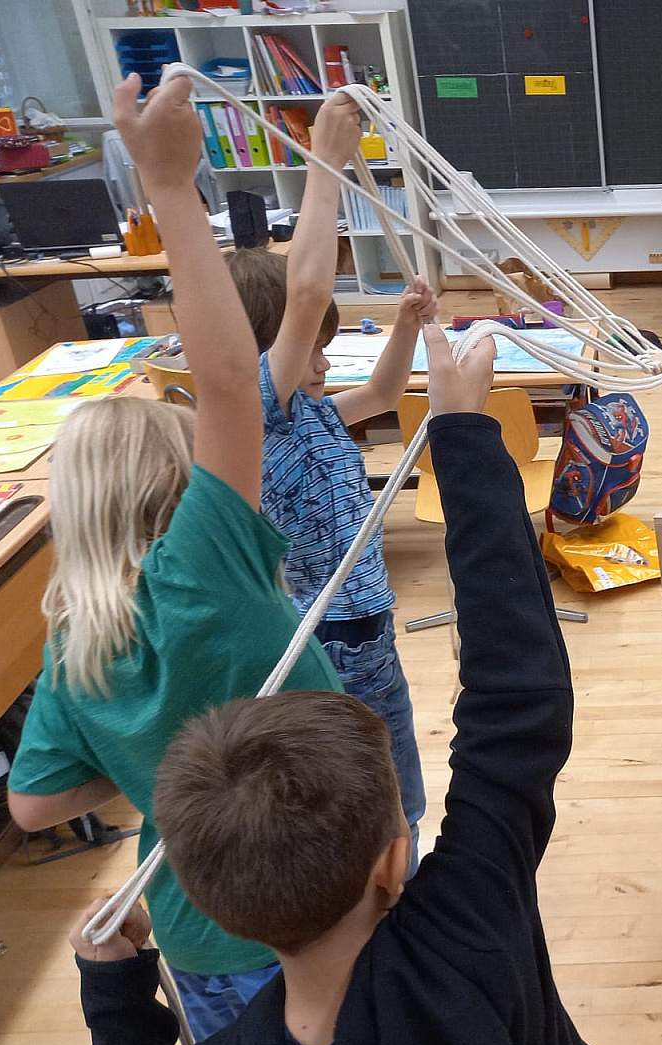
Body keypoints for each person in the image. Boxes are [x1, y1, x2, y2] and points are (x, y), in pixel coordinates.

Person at [68, 72, 658, 1045]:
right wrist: (470, 440)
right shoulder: (473, 933)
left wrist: (116, 997)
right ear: (396, 859)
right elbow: (519, 706)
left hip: (366, 647)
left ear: (215, 905)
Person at [6, 74, 343, 1041]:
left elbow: (30, 807)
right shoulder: (205, 562)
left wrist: (148, 769)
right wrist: (168, 185)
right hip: (326, 897)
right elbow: (230, 381)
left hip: (203, 933)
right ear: (175, 479)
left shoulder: (73, 645)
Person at [226, 92, 434, 871]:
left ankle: (398, 884)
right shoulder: (259, 414)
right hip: (326, 643)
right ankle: (370, 894)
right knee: (359, 800)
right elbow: (307, 292)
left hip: (369, 629)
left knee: (400, 794)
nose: (320, 360)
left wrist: (406, 326)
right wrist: (325, 163)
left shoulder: (309, 411)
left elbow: (381, 394)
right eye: (309, 346)